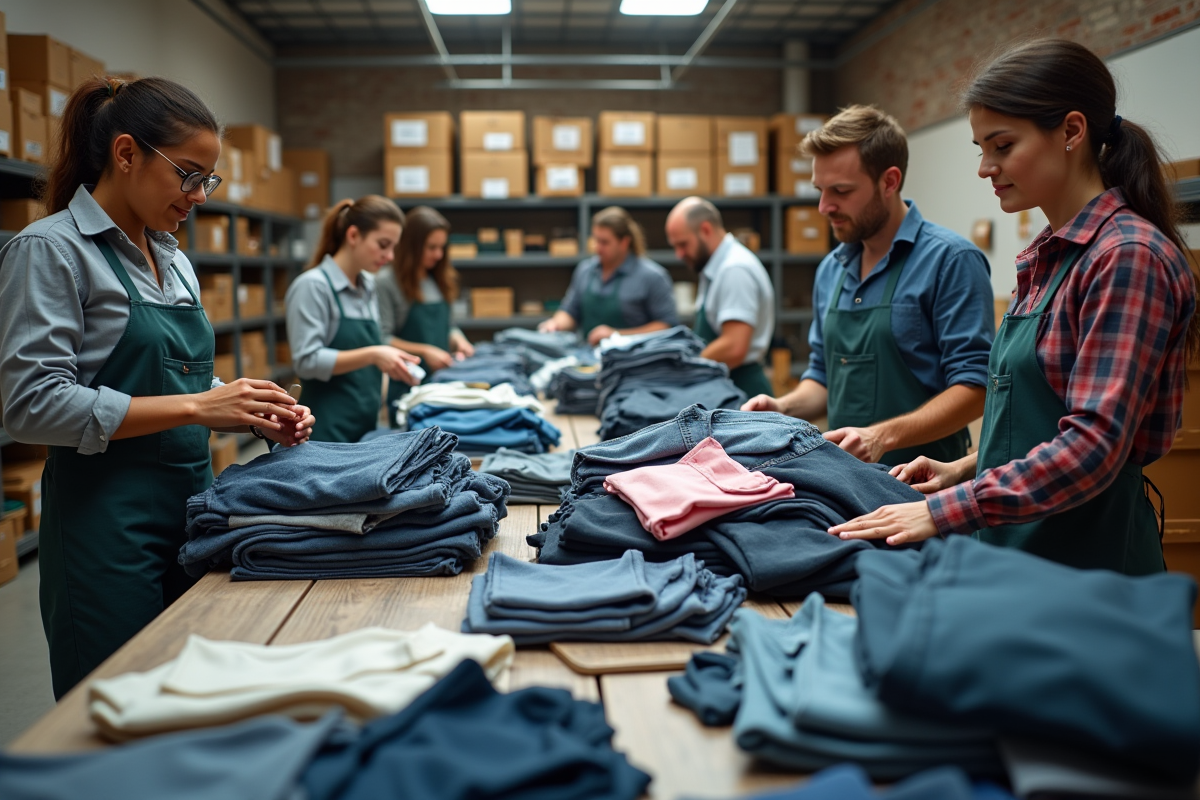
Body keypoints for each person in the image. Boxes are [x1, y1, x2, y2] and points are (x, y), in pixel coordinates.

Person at [830, 39, 1198, 576]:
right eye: (982, 148)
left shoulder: (1126, 258)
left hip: (1086, 561)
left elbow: (1093, 447)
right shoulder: (1051, 255)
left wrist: (946, 510)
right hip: (1018, 548)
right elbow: (1041, 420)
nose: (985, 167)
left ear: (1072, 132)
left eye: (1002, 146)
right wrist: (964, 468)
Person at [0, 77, 314, 698]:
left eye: (208, 181)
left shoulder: (174, 258)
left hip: (193, 512)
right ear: (126, 155)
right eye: (189, 176)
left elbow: (180, 378)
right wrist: (202, 404)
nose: (199, 196)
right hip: (104, 529)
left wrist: (246, 408)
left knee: (188, 696)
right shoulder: (51, 251)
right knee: (118, 706)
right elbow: (30, 406)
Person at [743, 105, 995, 467]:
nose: (823, 207)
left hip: (919, 484)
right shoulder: (831, 269)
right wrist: (783, 406)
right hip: (844, 476)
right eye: (820, 190)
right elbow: (823, 376)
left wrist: (880, 437)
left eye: (841, 191)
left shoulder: (951, 261)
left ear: (889, 182)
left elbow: (975, 388)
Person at [286, 196, 418, 443]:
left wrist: (390, 363)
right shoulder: (314, 286)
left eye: (393, 247)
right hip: (324, 432)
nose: (389, 256)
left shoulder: (368, 285)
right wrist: (374, 355)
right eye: (383, 244)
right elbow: (307, 360)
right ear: (354, 235)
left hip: (364, 427)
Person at [665, 197, 774, 397]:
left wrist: (683, 368)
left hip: (742, 392)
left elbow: (734, 347)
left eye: (683, 244)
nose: (679, 254)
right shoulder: (715, 268)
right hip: (725, 385)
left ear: (705, 230)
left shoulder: (734, 269)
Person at [377, 206, 474, 425]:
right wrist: (424, 351)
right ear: (412, 245)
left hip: (441, 386)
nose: (438, 255)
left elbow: (448, 325)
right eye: (431, 247)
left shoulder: (438, 279)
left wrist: (458, 339)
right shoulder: (387, 282)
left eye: (442, 247)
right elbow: (382, 339)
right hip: (408, 391)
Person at [539, 206, 678, 346]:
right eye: (596, 240)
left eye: (604, 242)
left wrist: (616, 335)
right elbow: (571, 311)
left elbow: (666, 326)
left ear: (624, 242)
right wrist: (555, 324)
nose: (597, 248)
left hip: (634, 360)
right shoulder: (585, 270)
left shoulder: (652, 277)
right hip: (588, 357)